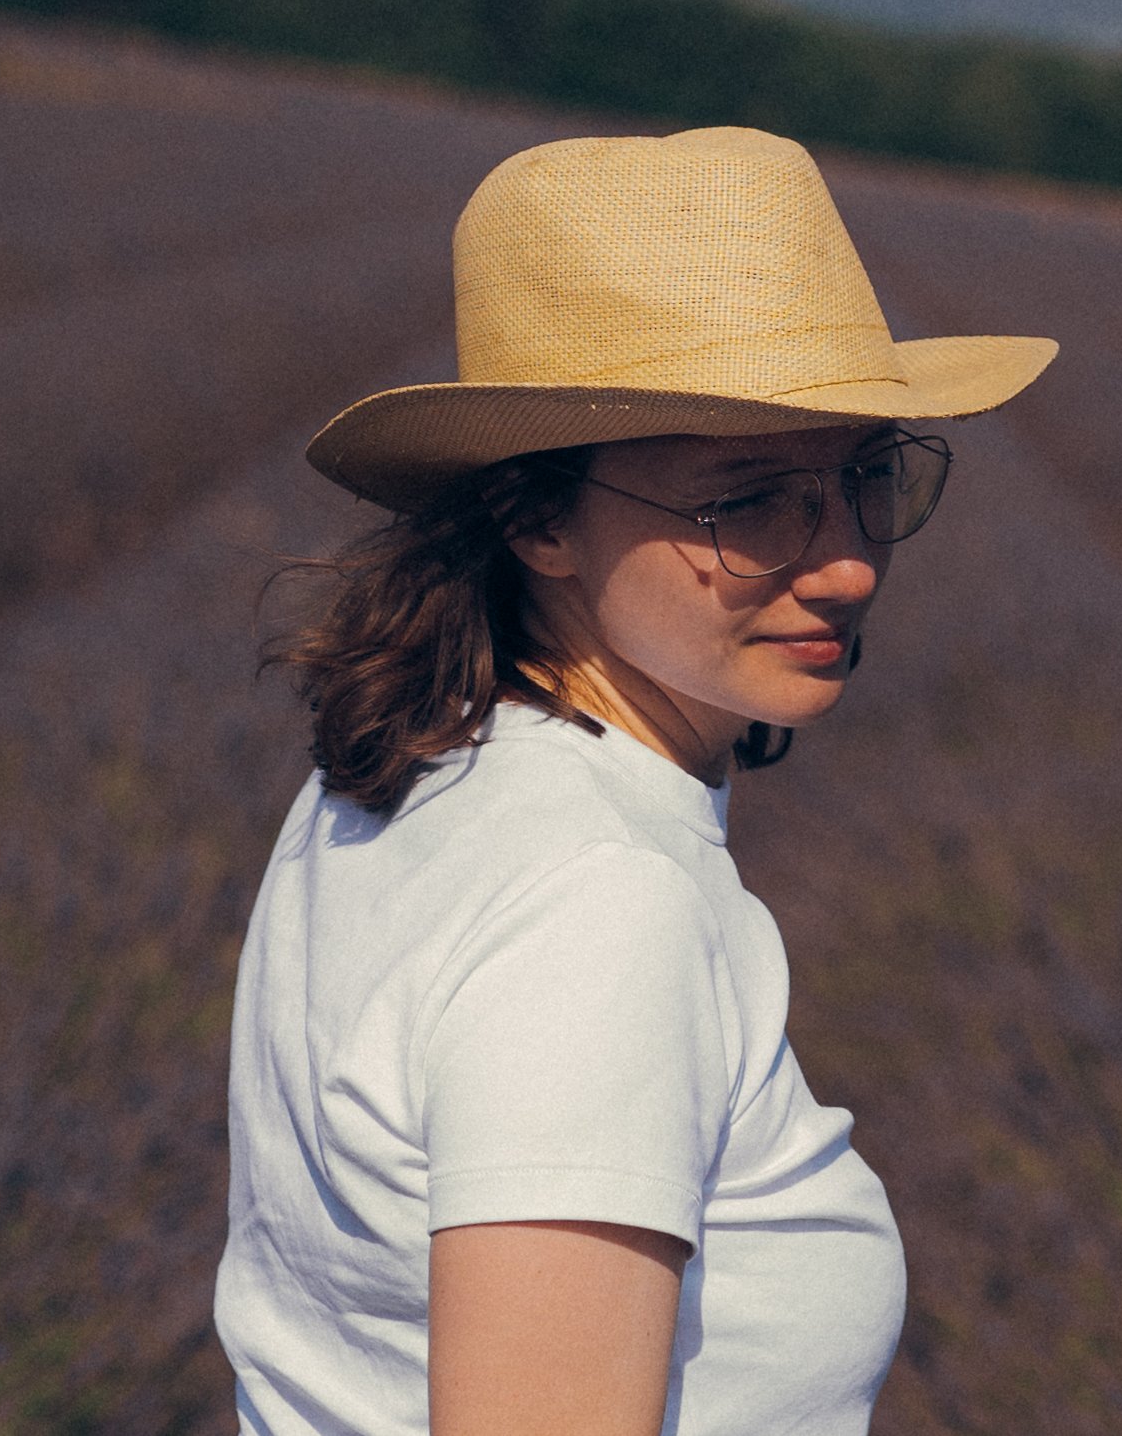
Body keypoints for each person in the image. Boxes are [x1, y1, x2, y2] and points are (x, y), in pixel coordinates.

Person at [215, 122, 1055, 1436]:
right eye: (751, 499)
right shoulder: (599, 903)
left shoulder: (407, 766)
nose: (846, 562)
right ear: (537, 516)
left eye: (865, 474)